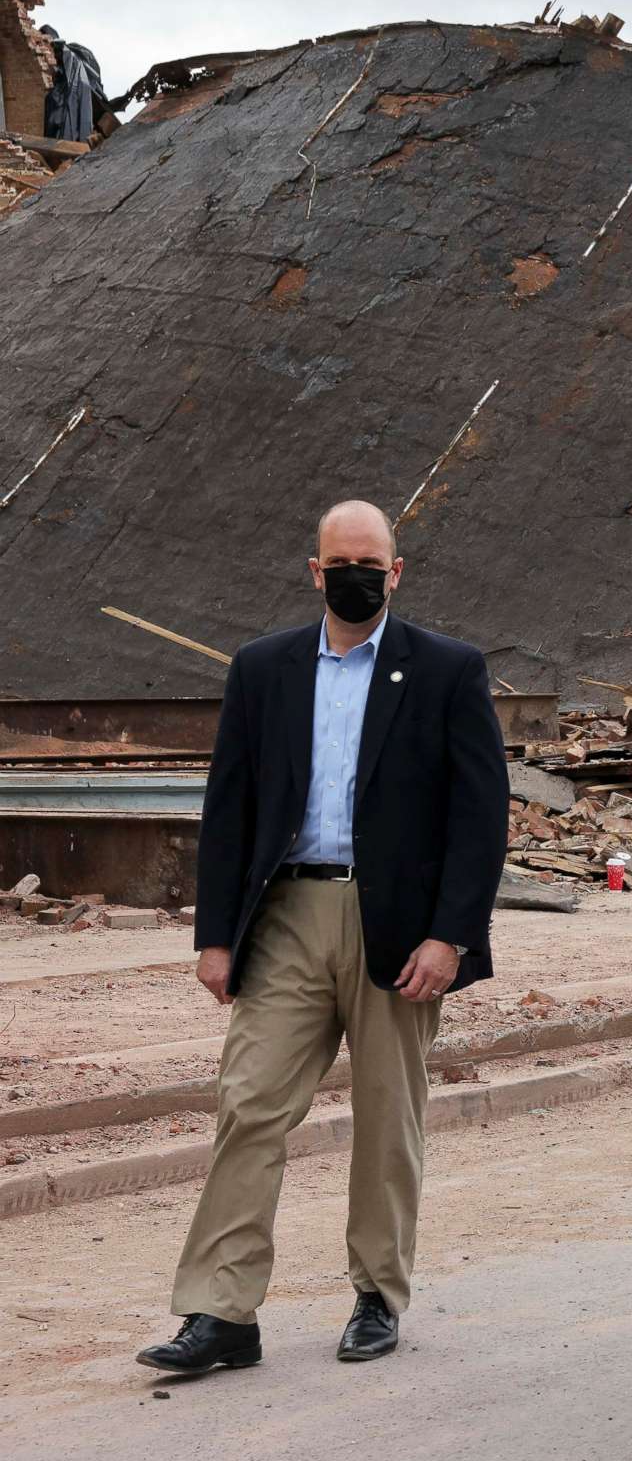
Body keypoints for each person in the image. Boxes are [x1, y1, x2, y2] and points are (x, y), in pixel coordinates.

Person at [138, 502, 508, 1376]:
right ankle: (222, 1312)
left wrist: (451, 936)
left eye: (369, 561)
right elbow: (228, 807)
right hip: (288, 920)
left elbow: (480, 816)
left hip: (400, 928)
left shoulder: (449, 670)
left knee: (387, 1119)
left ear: (397, 570)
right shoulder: (263, 670)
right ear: (314, 571)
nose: (354, 574)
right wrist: (215, 936)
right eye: (339, 561)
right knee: (249, 1105)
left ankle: (377, 1294)